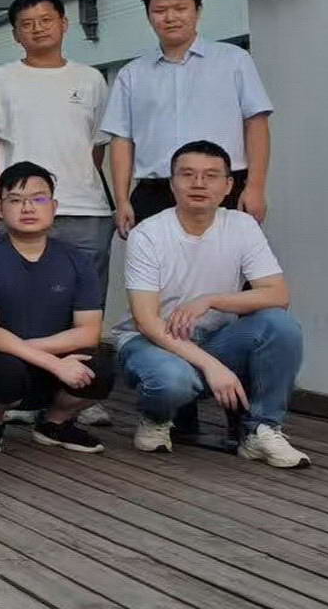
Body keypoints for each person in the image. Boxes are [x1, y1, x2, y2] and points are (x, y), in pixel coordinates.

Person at [113, 140, 308, 468]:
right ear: (172, 183)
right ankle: (156, 417)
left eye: (211, 175)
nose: (199, 183)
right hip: (153, 342)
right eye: (187, 174)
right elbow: (146, 321)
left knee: (279, 325)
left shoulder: (242, 226)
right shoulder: (148, 234)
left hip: (216, 339)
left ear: (229, 185)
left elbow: (278, 294)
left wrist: (211, 300)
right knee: (172, 380)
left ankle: (261, 430)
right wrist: (212, 366)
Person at [103, 0, 273, 232]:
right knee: (154, 259)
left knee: (227, 257)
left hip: (223, 189)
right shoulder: (132, 74)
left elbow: (256, 123)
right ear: (148, 15)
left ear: (198, 10)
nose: (170, 17)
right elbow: (122, 140)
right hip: (155, 191)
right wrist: (122, 199)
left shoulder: (234, 60)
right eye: (160, 10)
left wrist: (255, 187)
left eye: (180, 8)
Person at [0, 162, 111, 458]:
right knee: (1, 369)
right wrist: (52, 363)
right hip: (2, 363)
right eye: (16, 200)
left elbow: (89, 331)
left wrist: (33, 352)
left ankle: (55, 423)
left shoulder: (76, 260)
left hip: (50, 360)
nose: (28, 208)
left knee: (103, 365)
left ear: (54, 207)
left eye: (38, 199)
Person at [0, 0, 113, 273]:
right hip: (19, 209)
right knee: (19, 291)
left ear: (64, 24)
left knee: (87, 293)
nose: (38, 28)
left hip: (85, 211)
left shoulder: (91, 79)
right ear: (15, 34)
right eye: (27, 23)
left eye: (46, 20)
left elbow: (98, 145)